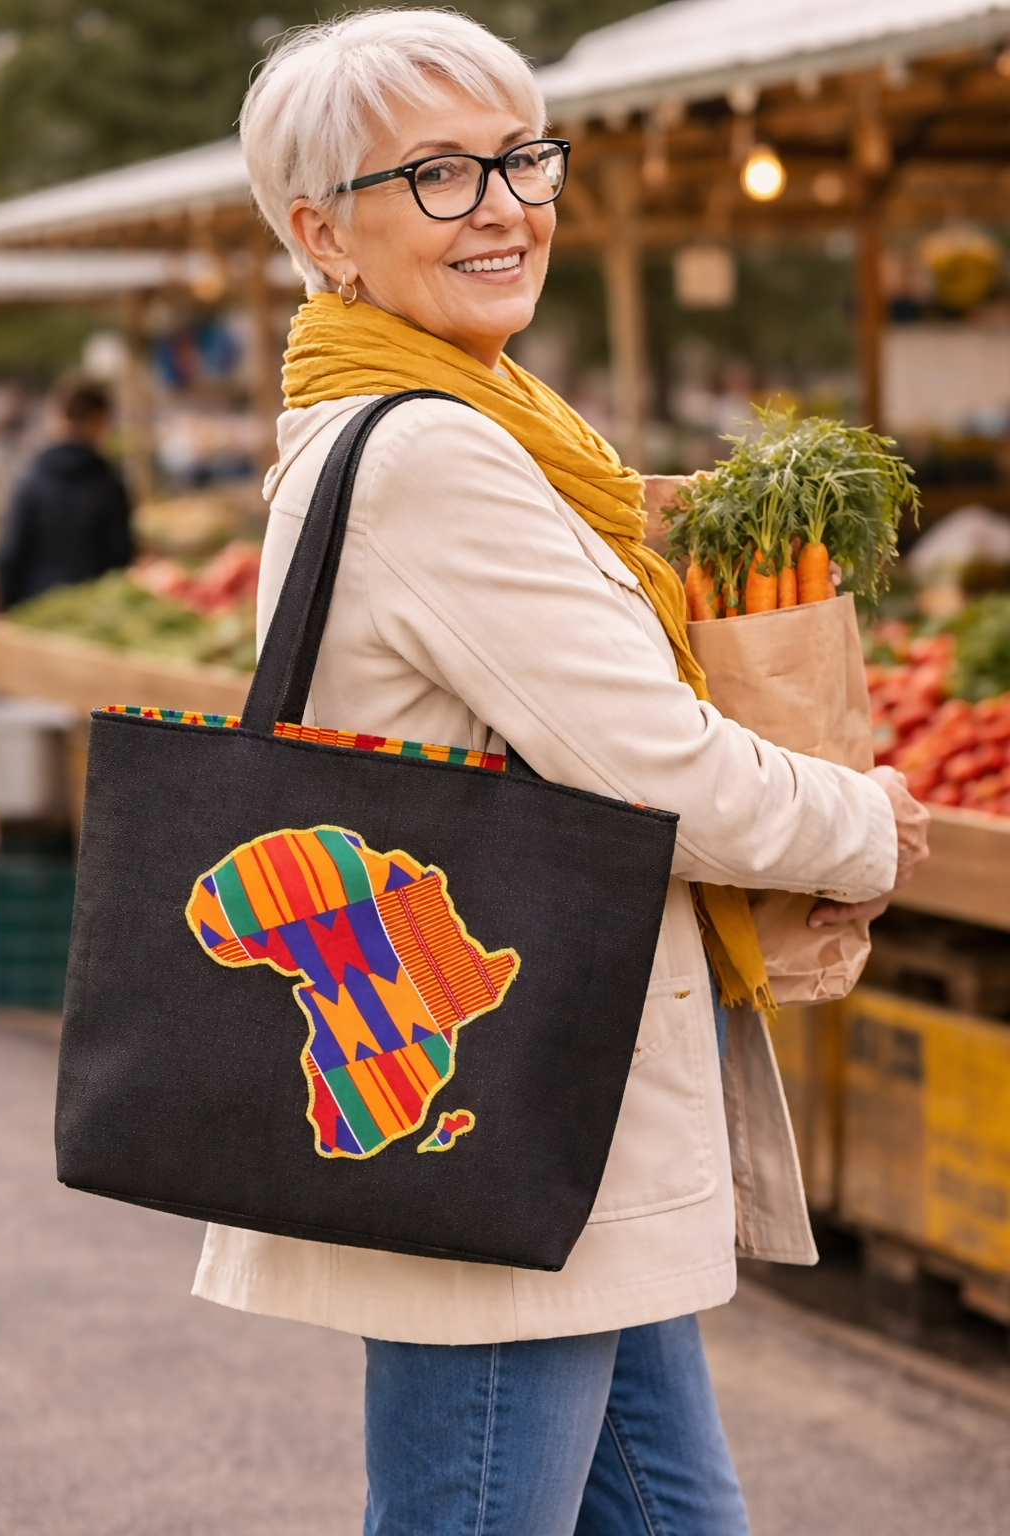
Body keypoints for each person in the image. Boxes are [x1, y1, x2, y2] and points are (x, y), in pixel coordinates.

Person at [191, 13, 930, 1534]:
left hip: (549, 1089)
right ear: (324, 233)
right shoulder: (428, 454)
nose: (510, 204)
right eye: (443, 176)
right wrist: (864, 822)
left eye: (523, 158)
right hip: (500, 1084)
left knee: (677, 1519)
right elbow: (650, 772)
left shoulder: (462, 424)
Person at [0, 378, 132, 610]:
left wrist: (9, 602)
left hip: (35, 605)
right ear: (100, 421)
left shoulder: (31, 479)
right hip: (94, 609)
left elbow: (10, 554)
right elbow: (120, 556)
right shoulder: (109, 484)